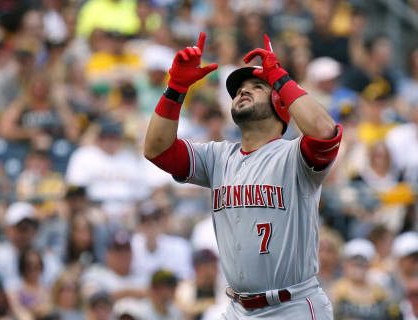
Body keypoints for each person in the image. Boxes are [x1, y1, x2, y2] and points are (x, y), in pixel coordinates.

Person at [144, 32, 342, 319]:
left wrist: (280, 78)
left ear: (280, 103)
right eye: (239, 89)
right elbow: (157, 150)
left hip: (293, 306)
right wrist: (175, 87)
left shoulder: (295, 156)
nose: (243, 91)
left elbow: (325, 132)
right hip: (237, 309)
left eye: (257, 86)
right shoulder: (218, 157)